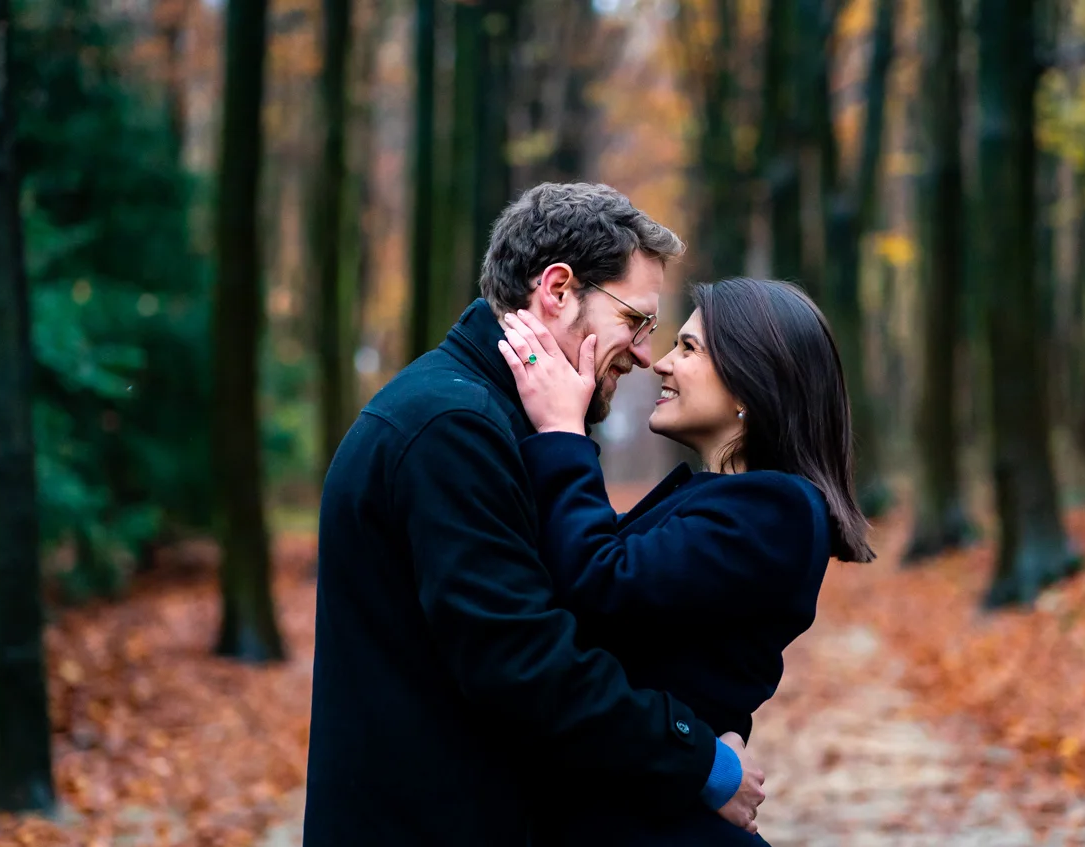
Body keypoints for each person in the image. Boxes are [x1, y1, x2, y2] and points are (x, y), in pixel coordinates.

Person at [302, 183, 766, 846]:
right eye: (635, 321)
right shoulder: (452, 428)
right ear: (557, 289)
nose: (643, 354)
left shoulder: (491, 419)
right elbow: (523, 660)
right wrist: (704, 762)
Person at [496, 277, 877, 845]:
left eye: (690, 348)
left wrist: (562, 434)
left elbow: (602, 585)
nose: (662, 364)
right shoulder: (733, 505)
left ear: (753, 382)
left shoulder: (777, 511)